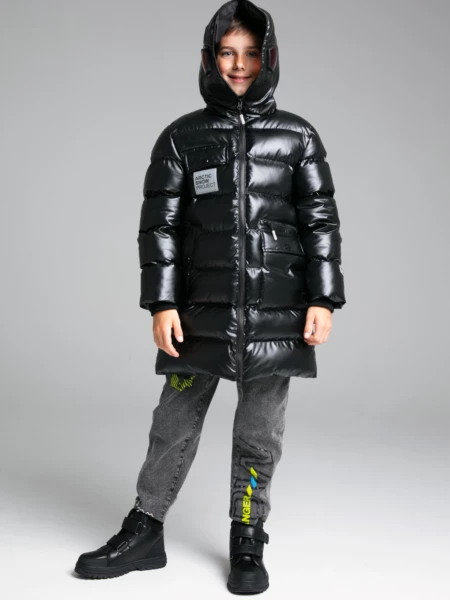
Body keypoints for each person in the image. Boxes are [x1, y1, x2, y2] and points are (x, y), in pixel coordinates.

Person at [74, 0, 346, 594]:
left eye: (250, 54)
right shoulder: (182, 137)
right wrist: (162, 305)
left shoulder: (298, 137)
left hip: (278, 317)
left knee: (259, 433)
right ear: (209, 58)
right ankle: (145, 529)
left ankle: (248, 536)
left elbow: (320, 223)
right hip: (198, 317)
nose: (239, 65)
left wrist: (323, 300)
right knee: (172, 422)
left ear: (269, 58)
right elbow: (160, 229)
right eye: (227, 53)